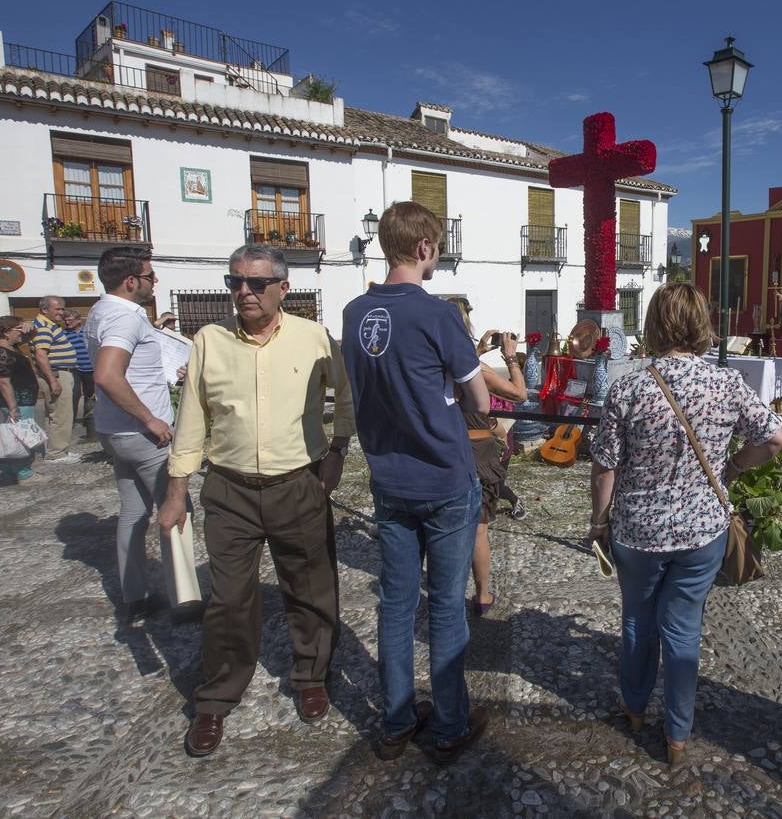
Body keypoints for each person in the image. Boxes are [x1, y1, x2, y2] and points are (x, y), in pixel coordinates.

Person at [155, 244, 355, 758]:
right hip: (229, 488)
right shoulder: (209, 340)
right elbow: (192, 419)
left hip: (299, 484)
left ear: (283, 289)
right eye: (235, 282)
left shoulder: (313, 338)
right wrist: (177, 491)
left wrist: (338, 450)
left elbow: (347, 395)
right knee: (227, 600)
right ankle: (217, 696)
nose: (244, 291)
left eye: (256, 283)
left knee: (310, 587)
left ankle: (312, 676)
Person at [588, 283, 782, 765]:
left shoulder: (629, 387)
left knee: (638, 621)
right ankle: (677, 734)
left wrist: (598, 523)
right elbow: (776, 438)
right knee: (683, 629)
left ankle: (634, 708)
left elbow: (605, 465)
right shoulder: (725, 382)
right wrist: (735, 465)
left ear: (654, 325)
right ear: (702, 325)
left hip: (639, 530)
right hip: (702, 532)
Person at [342, 201, 491, 763]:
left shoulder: (355, 313)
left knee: (396, 603)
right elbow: (479, 398)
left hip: (387, 478)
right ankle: (451, 723)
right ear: (425, 248)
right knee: (448, 607)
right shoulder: (439, 315)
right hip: (445, 479)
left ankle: (397, 720)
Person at [86, 248, 180, 625]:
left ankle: (134, 596)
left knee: (133, 513)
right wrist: (151, 419)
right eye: (150, 276)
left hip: (115, 431)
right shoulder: (124, 318)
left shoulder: (100, 311)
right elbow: (108, 375)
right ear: (131, 281)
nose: (153, 282)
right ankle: (184, 599)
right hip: (143, 435)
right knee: (175, 511)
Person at [448, 297, 527, 616]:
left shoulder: (433, 361)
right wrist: (511, 359)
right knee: (478, 528)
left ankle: (447, 591)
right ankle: (482, 596)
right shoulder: (473, 366)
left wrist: (478, 351)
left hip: (446, 451)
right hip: (477, 454)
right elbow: (519, 393)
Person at [0, 316, 41, 485]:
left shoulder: (9, 346)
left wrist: (31, 326)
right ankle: (24, 473)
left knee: (14, 436)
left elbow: (30, 337)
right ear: (6, 332)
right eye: (18, 329)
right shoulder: (0, 351)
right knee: (20, 438)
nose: (21, 333)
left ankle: (11, 471)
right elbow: (2, 380)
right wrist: (13, 407)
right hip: (17, 401)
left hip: (23, 398)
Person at [32, 295, 81, 464]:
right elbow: (41, 354)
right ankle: (57, 453)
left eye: (62, 309)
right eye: (57, 309)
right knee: (62, 414)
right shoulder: (44, 327)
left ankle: (57, 449)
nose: (61, 312)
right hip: (57, 373)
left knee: (56, 413)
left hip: (61, 373)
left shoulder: (49, 325)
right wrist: (53, 380)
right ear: (45, 310)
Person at [60, 309, 95, 421]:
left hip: (90, 368)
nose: (67, 323)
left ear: (79, 320)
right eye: (65, 320)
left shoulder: (88, 331)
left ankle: (89, 421)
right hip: (74, 368)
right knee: (74, 395)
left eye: (70, 320)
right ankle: (71, 421)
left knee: (90, 395)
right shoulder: (64, 334)